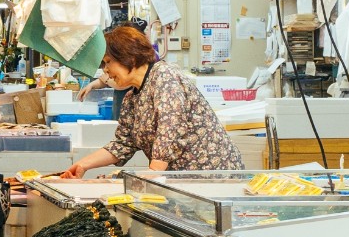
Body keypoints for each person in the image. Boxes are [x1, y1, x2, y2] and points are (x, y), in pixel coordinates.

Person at [59, 21, 245, 176]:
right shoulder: (132, 97)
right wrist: (82, 165)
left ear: (128, 57)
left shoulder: (164, 77)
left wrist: (144, 179)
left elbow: (169, 133)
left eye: (108, 62)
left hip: (213, 179)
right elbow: (123, 144)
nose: (105, 71)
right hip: (181, 182)